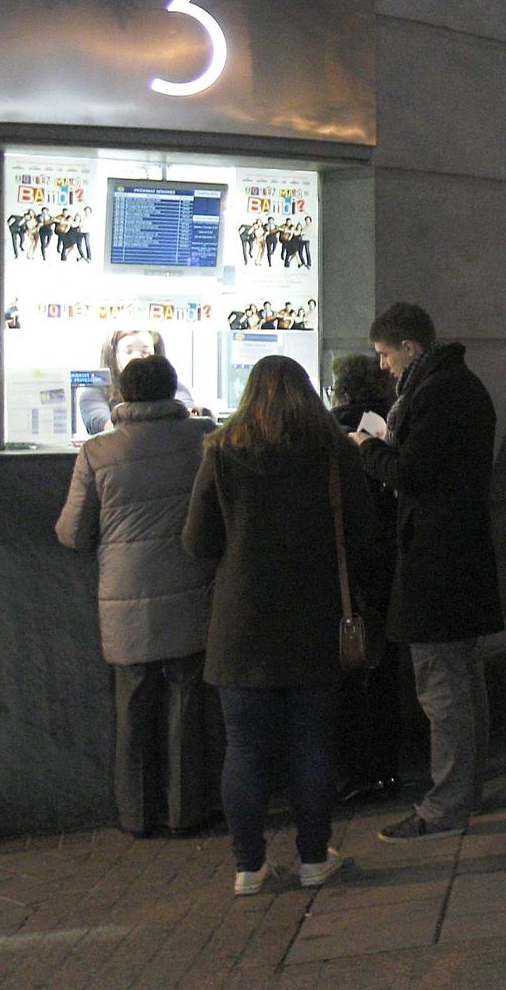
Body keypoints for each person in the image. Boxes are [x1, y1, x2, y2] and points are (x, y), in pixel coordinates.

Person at [183, 356, 383, 896]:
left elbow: (197, 541)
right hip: (316, 620)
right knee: (312, 745)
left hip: (241, 626)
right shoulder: (335, 452)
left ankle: (249, 867)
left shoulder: (222, 454)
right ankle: (315, 858)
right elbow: (364, 535)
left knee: (244, 749)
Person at [352, 303, 506, 843]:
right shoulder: (455, 386)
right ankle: (463, 790)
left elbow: (413, 473)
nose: (384, 367)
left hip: (437, 563)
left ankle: (446, 804)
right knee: (462, 681)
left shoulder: (440, 393)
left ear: (410, 348)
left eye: (386, 355)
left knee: (443, 689)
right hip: (454, 558)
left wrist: (368, 447)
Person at [55, 353, 217, 839]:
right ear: (173, 391)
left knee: (133, 703)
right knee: (188, 699)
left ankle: (135, 815)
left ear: (121, 394)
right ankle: (186, 811)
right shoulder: (204, 439)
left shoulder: (98, 452)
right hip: (192, 585)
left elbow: (73, 533)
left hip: (126, 595)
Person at [327, 354, 402, 805]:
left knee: (347, 672)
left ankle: (353, 771)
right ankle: (384, 768)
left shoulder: (332, 436)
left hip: (346, 571)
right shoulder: (391, 425)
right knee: (383, 669)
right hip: (386, 564)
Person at [79, 329, 202, 435]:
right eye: (129, 351)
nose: (137, 357)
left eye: (145, 352)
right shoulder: (95, 391)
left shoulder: (177, 388)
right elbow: (103, 424)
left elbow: (190, 419)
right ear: (113, 355)